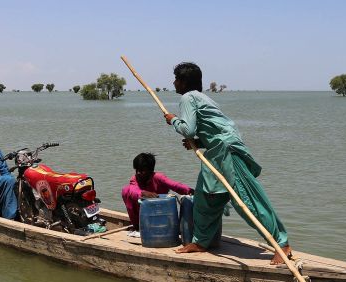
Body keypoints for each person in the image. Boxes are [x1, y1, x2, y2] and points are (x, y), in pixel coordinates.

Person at [164, 62, 291, 265]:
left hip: (227, 153)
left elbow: (188, 129)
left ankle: (281, 244)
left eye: (177, 79)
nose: (173, 82)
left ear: (184, 82)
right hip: (216, 152)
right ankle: (201, 242)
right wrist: (199, 142)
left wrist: (173, 120)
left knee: (249, 202)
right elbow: (215, 128)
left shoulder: (189, 98)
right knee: (206, 199)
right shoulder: (203, 98)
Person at [122, 152, 194, 234]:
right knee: (126, 190)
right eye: (137, 170)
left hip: (161, 211)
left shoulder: (158, 177)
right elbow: (133, 191)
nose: (138, 173)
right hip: (144, 213)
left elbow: (174, 185)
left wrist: (188, 191)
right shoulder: (135, 179)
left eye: (142, 171)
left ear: (150, 171)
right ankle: (137, 226)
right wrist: (143, 193)